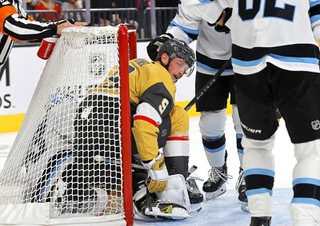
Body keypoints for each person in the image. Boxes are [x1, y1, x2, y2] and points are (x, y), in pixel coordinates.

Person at [211, 1, 320, 225]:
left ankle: (259, 217)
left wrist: (225, 18)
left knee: (256, 143)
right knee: (311, 147)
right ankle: (305, 218)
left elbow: (194, 3)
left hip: (248, 65)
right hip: (297, 60)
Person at [73, 38, 202, 220]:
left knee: (136, 164)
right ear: (164, 58)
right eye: (179, 64)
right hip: (113, 128)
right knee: (178, 114)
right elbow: (144, 122)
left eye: (185, 68)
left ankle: (137, 184)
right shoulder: (161, 78)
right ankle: (175, 181)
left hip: (87, 124)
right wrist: (155, 164)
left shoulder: (138, 63)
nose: (181, 72)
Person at [146, 0, 246, 209]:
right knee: (210, 126)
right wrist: (168, 39)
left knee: (244, 122)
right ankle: (218, 171)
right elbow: (185, 26)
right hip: (209, 64)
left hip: (247, 63)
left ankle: (250, 173)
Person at [0, 0, 85, 72]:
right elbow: (16, 29)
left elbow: (31, 26)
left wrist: (64, 24)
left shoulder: (14, 3)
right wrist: (55, 29)